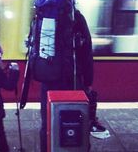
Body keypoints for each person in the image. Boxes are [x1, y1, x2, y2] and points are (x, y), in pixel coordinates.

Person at [39, 10, 109, 152]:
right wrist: (88, 82)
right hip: (74, 81)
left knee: (47, 124)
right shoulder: (76, 17)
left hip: (48, 82)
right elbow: (87, 52)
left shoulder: (42, 16)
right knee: (77, 121)